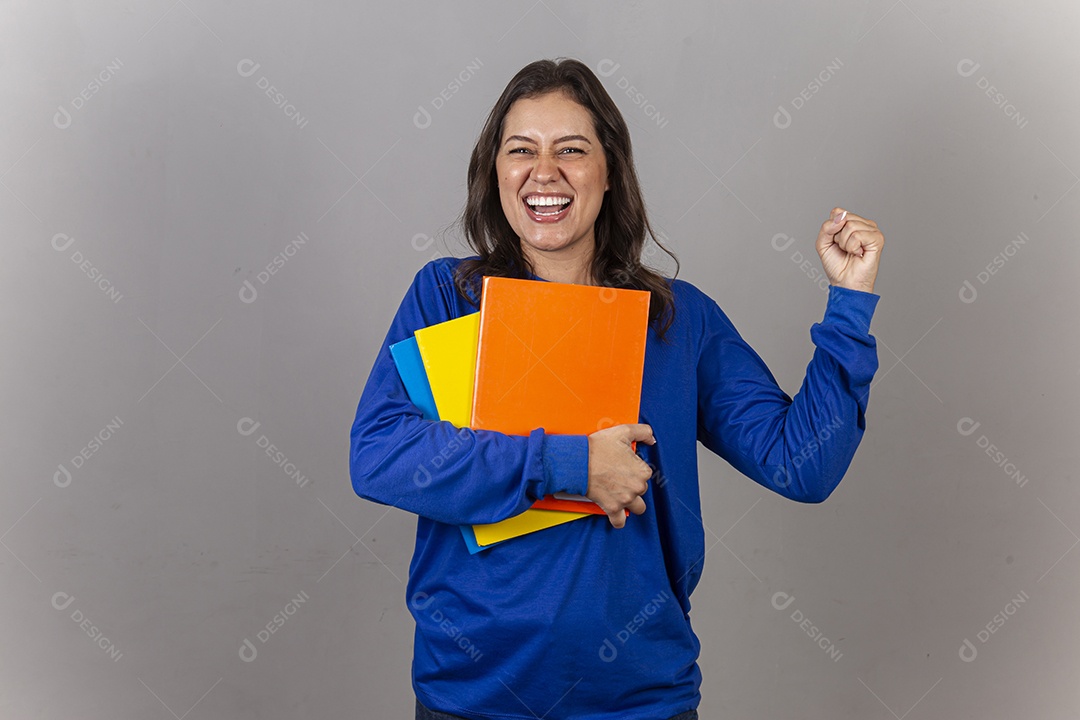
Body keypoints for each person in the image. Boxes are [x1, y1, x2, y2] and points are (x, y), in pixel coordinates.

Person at [349, 58, 883, 720]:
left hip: (639, 700)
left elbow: (803, 464)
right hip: (475, 698)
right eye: (522, 151)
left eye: (571, 150)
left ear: (609, 172)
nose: (545, 171)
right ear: (496, 172)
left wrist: (849, 306)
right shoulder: (449, 296)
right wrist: (570, 464)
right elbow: (378, 454)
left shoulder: (678, 319)